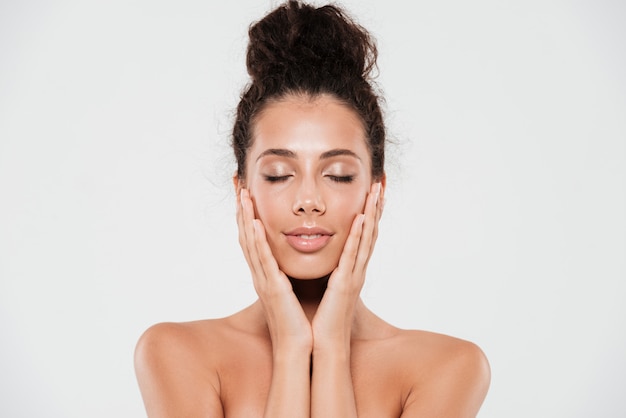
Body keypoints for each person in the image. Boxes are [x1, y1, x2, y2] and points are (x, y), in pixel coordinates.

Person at [134, 1, 490, 416]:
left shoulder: (447, 367)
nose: (308, 201)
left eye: (338, 174)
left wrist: (333, 346)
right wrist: (290, 347)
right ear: (242, 190)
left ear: (377, 191)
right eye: (278, 174)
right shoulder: (177, 353)